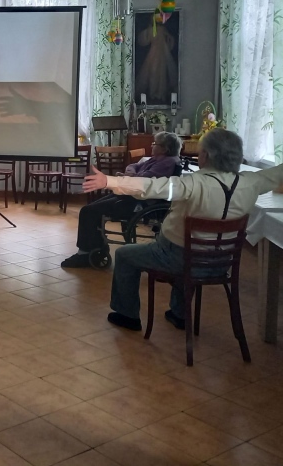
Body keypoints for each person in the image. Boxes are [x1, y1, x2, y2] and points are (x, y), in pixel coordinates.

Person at [82, 129, 283, 332]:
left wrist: (109, 181)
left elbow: (152, 187)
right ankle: (179, 314)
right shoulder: (252, 182)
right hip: (222, 264)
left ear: (205, 156)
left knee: (125, 255)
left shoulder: (193, 183)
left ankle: (127, 315)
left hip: (180, 259)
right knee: (190, 251)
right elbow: (277, 173)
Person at [62, 131, 182, 268]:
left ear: (165, 148)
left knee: (88, 211)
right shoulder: (156, 159)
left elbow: (145, 180)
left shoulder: (167, 163)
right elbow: (135, 166)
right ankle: (93, 248)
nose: (152, 145)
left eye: (155, 144)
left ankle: (86, 253)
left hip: (140, 202)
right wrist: (130, 174)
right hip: (130, 195)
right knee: (89, 209)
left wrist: (128, 177)